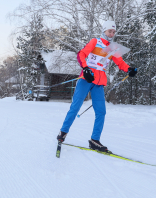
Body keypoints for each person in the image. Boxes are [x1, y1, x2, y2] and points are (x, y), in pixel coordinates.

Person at [57, 20, 137, 152]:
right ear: (104, 31)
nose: (111, 34)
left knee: (101, 112)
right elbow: (81, 54)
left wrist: (129, 69)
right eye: (109, 31)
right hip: (86, 79)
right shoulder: (95, 41)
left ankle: (94, 140)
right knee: (75, 107)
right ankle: (63, 132)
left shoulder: (112, 48)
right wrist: (86, 68)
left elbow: (120, 62)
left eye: (113, 32)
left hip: (99, 83)